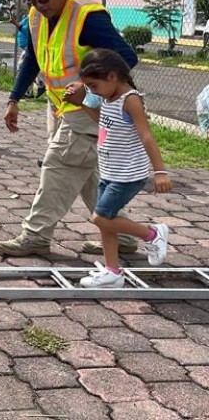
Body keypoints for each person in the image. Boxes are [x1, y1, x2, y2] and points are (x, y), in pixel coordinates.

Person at [0, 0, 139, 257]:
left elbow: (126, 57)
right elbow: (33, 59)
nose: (39, 5)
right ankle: (121, 235)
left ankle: (35, 235)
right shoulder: (37, 16)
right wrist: (14, 99)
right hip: (63, 107)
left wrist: (88, 88)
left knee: (58, 165)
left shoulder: (88, 16)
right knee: (88, 175)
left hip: (88, 107)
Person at [67, 48, 170, 288]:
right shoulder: (108, 98)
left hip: (128, 175)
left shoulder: (131, 100)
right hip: (110, 171)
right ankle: (113, 272)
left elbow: (146, 136)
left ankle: (152, 234)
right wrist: (81, 102)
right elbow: (103, 122)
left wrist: (160, 171)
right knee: (106, 221)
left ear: (112, 76)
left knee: (100, 218)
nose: (92, 90)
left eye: (93, 85)